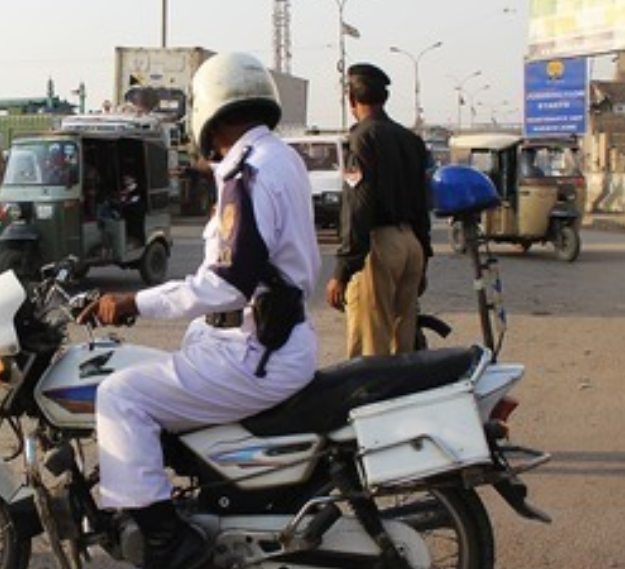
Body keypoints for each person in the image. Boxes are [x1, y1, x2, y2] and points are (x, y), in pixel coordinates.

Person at [79, 52, 320, 569]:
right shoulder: (279, 157)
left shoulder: (247, 172)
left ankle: (167, 543)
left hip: (254, 351)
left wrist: (132, 301)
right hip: (261, 341)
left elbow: (227, 283)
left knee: (120, 395)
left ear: (209, 111)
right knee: (143, 377)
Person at [325, 63, 433, 358]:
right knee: (404, 345)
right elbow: (424, 203)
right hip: (411, 244)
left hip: (379, 247)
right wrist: (423, 257)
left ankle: (372, 402)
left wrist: (343, 269)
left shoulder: (361, 139)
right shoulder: (411, 141)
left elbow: (359, 206)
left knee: (369, 348)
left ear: (351, 100)